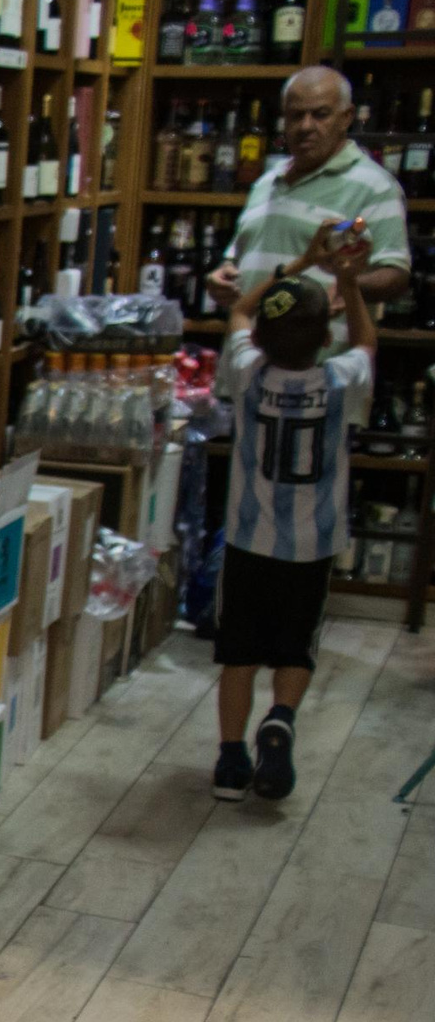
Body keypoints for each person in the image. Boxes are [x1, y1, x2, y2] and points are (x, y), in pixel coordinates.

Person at [211, 220, 377, 803]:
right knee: (294, 646)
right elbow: (367, 344)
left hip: (250, 538)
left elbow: (236, 314)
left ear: (263, 336)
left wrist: (300, 263)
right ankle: (279, 719)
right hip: (313, 543)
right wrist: (350, 285)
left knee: (238, 653)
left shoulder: (249, 373)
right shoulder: (339, 379)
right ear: (322, 335)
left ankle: (230, 761)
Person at [206, 68, 412, 395]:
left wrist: (346, 285)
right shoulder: (266, 182)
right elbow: (237, 258)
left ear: (346, 117)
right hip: (247, 374)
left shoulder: (375, 186)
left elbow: (396, 275)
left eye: (320, 115)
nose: (305, 126)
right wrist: (222, 277)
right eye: (295, 116)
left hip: (322, 379)